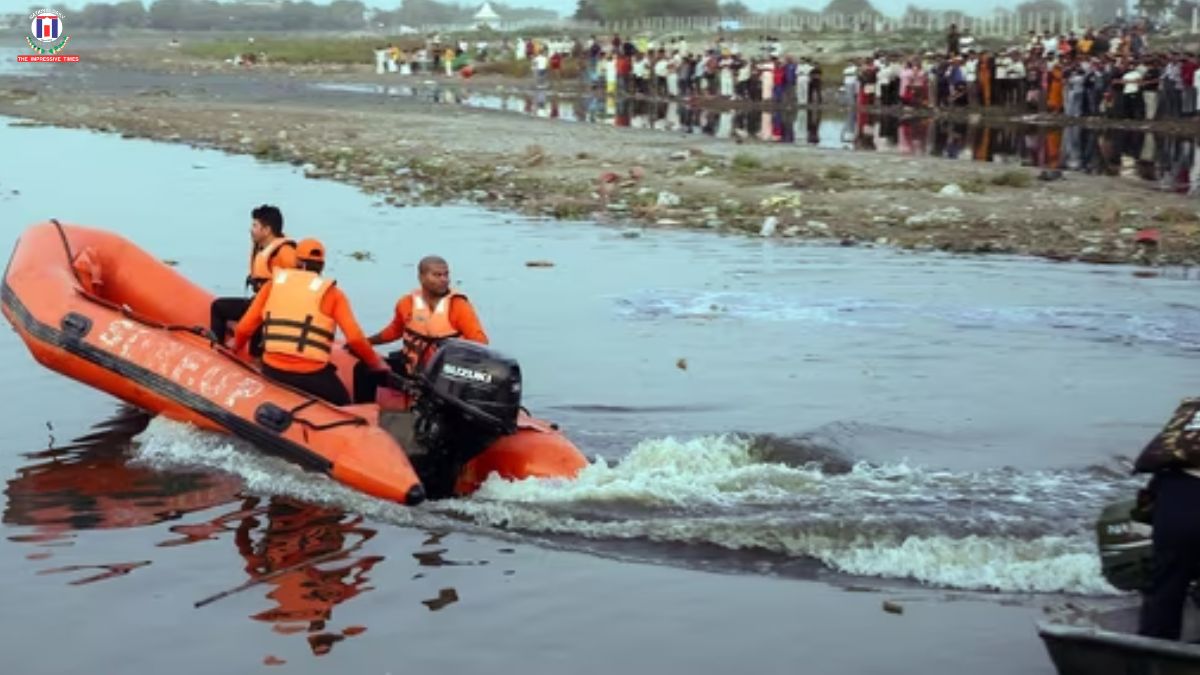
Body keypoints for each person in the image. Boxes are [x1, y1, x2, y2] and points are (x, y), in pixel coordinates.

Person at [232, 238, 387, 406]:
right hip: (310, 373)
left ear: (297, 261)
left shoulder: (272, 285)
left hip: (273, 369)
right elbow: (355, 339)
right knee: (345, 405)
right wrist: (375, 363)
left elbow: (244, 328)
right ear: (322, 266)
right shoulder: (333, 294)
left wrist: (236, 349)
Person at [352, 255, 488, 404]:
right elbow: (394, 331)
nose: (444, 279)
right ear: (421, 277)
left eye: (446, 274)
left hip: (443, 378)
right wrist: (366, 342)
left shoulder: (459, 306)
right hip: (410, 369)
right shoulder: (406, 303)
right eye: (437, 275)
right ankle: (365, 415)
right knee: (363, 369)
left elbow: (480, 342)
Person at [210, 205, 297, 354]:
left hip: (273, 311)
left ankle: (228, 352)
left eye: (255, 225)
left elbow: (297, 284)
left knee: (254, 344)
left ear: (267, 230)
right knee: (219, 306)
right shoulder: (261, 247)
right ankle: (218, 347)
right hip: (259, 303)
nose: (251, 229)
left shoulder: (285, 253)